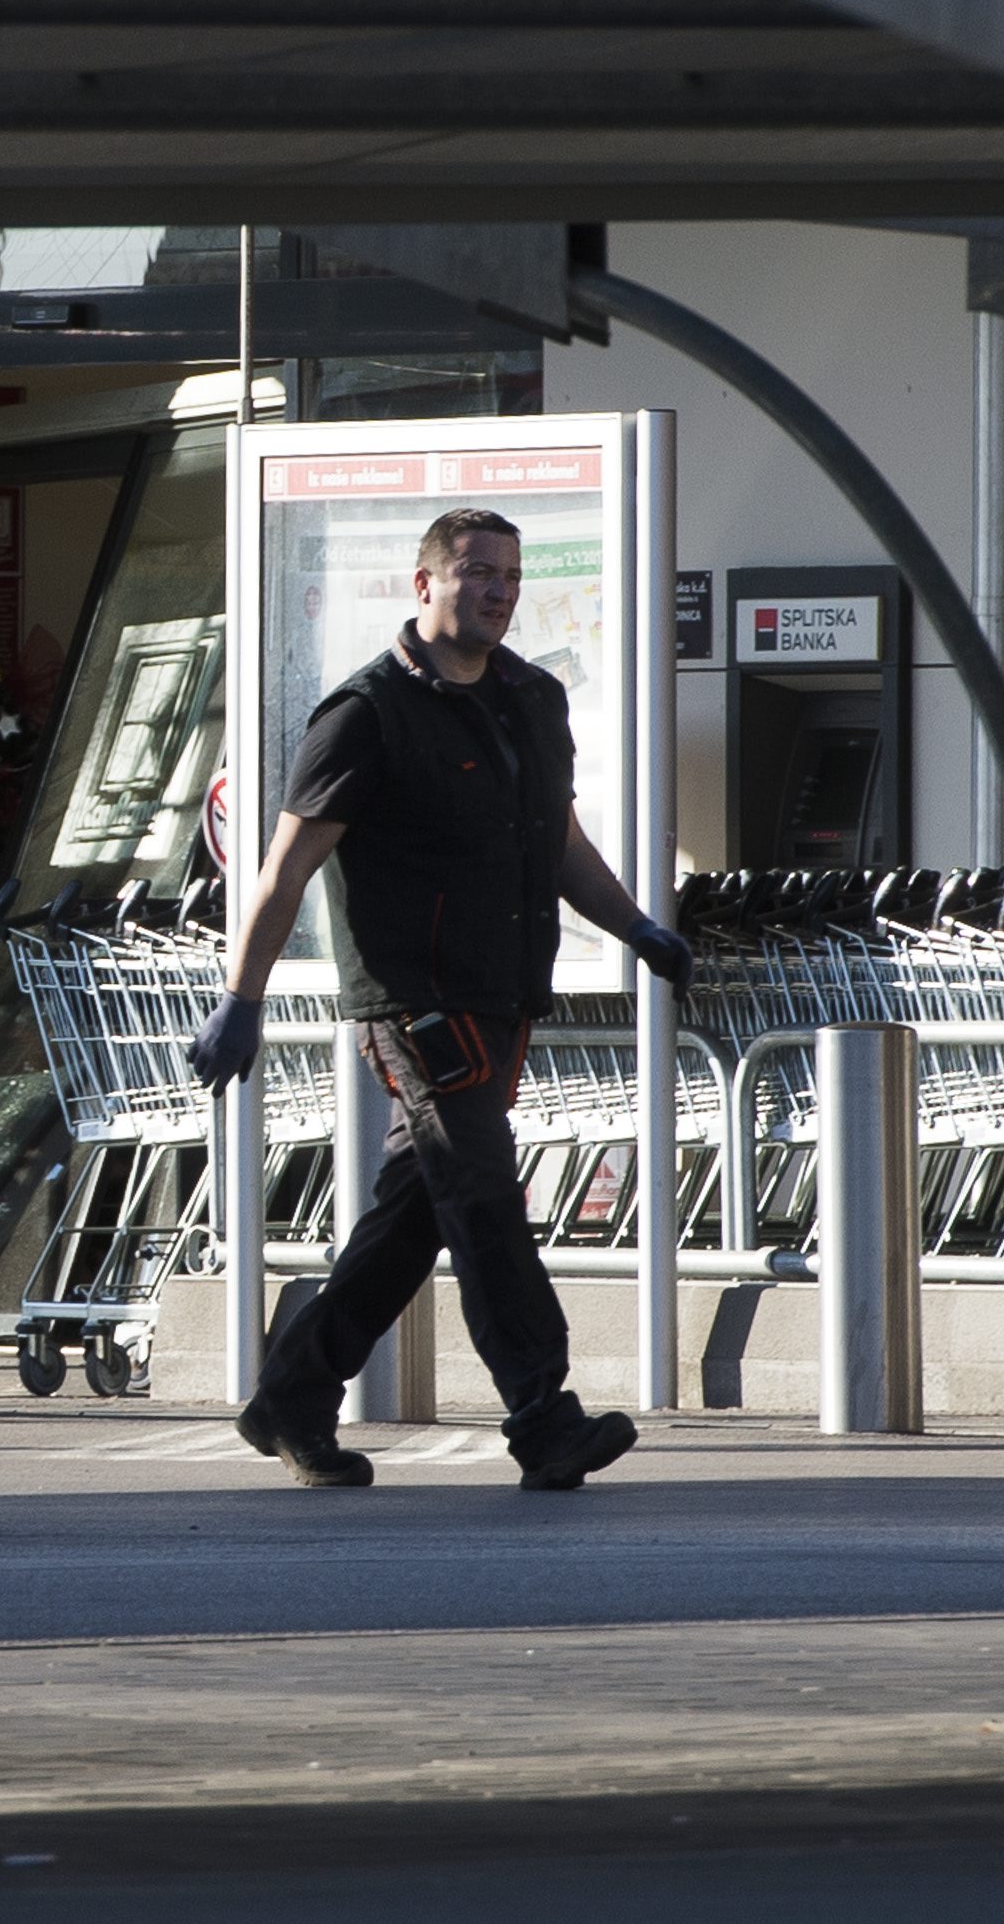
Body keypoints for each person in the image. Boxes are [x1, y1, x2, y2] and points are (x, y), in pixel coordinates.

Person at [185, 508, 692, 1492]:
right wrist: (242, 997)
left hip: (504, 995)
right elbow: (285, 868)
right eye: (475, 571)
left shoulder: (532, 698)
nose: (498, 589)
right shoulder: (364, 713)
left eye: (510, 574)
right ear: (424, 585)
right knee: (487, 1196)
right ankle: (542, 1414)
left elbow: (560, 844)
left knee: (419, 1211)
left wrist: (637, 927)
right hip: (415, 1003)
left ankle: (293, 1392)